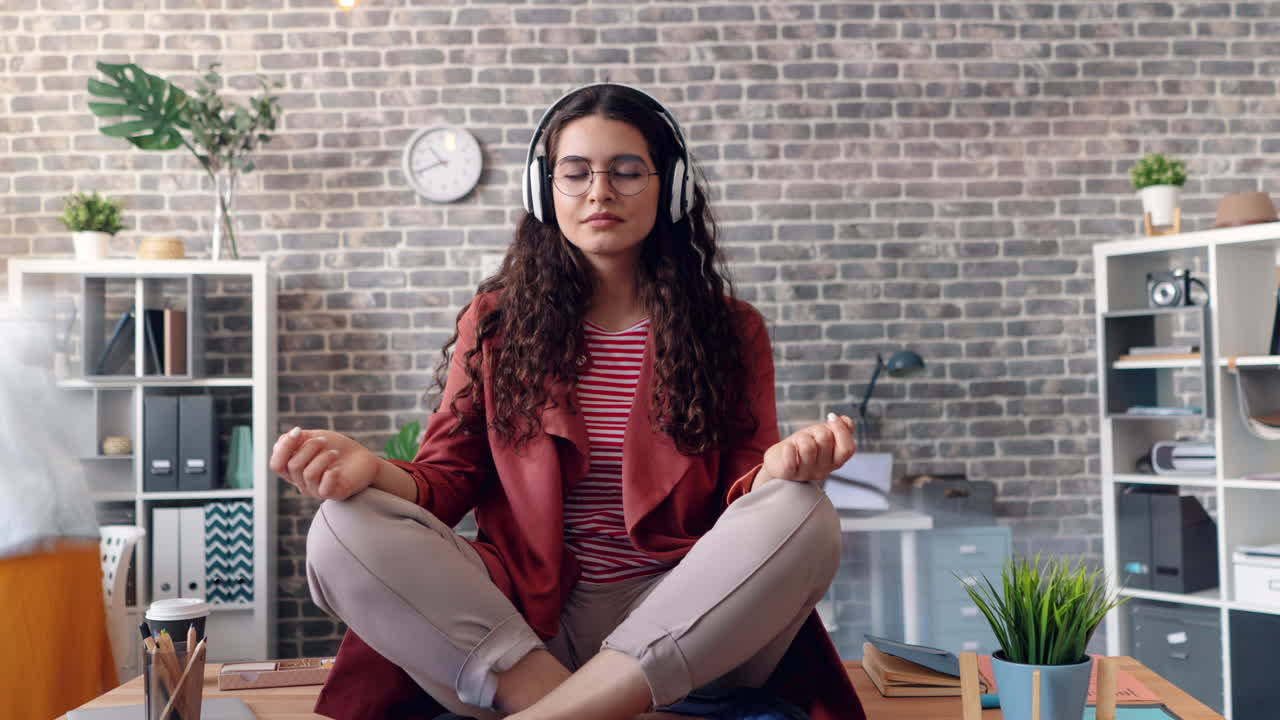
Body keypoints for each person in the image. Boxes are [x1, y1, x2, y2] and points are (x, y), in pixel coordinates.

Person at [273, 83, 866, 720]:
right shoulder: (498, 322)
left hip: (683, 621)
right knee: (342, 525)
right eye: (576, 171)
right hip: (522, 630)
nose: (599, 191)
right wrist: (371, 471)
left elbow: (740, 502)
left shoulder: (730, 329)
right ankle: (581, 707)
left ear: (671, 188)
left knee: (803, 510)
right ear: (544, 190)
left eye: (627, 171)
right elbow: (448, 481)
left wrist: (776, 473)